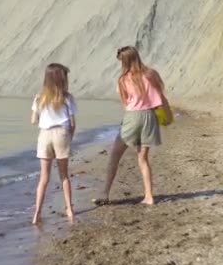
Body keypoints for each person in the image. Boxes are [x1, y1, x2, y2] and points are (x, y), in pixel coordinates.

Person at [95, 46, 172, 205]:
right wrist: (167, 115)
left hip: (133, 117)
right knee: (143, 158)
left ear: (125, 61)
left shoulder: (123, 79)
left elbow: (125, 104)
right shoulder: (152, 74)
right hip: (150, 117)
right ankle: (149, 196)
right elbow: (161, 97)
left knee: (115, 155)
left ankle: (104, 193)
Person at [30, 63, 77, 224]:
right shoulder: (67, 97)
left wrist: (43, 118)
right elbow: (72, 123)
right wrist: (69, 138)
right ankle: (69, 209)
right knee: (64, 175)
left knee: (44, 177)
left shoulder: (39, 97)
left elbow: (33, 120)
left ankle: (37, 213)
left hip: (44, 135)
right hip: (61, 133)